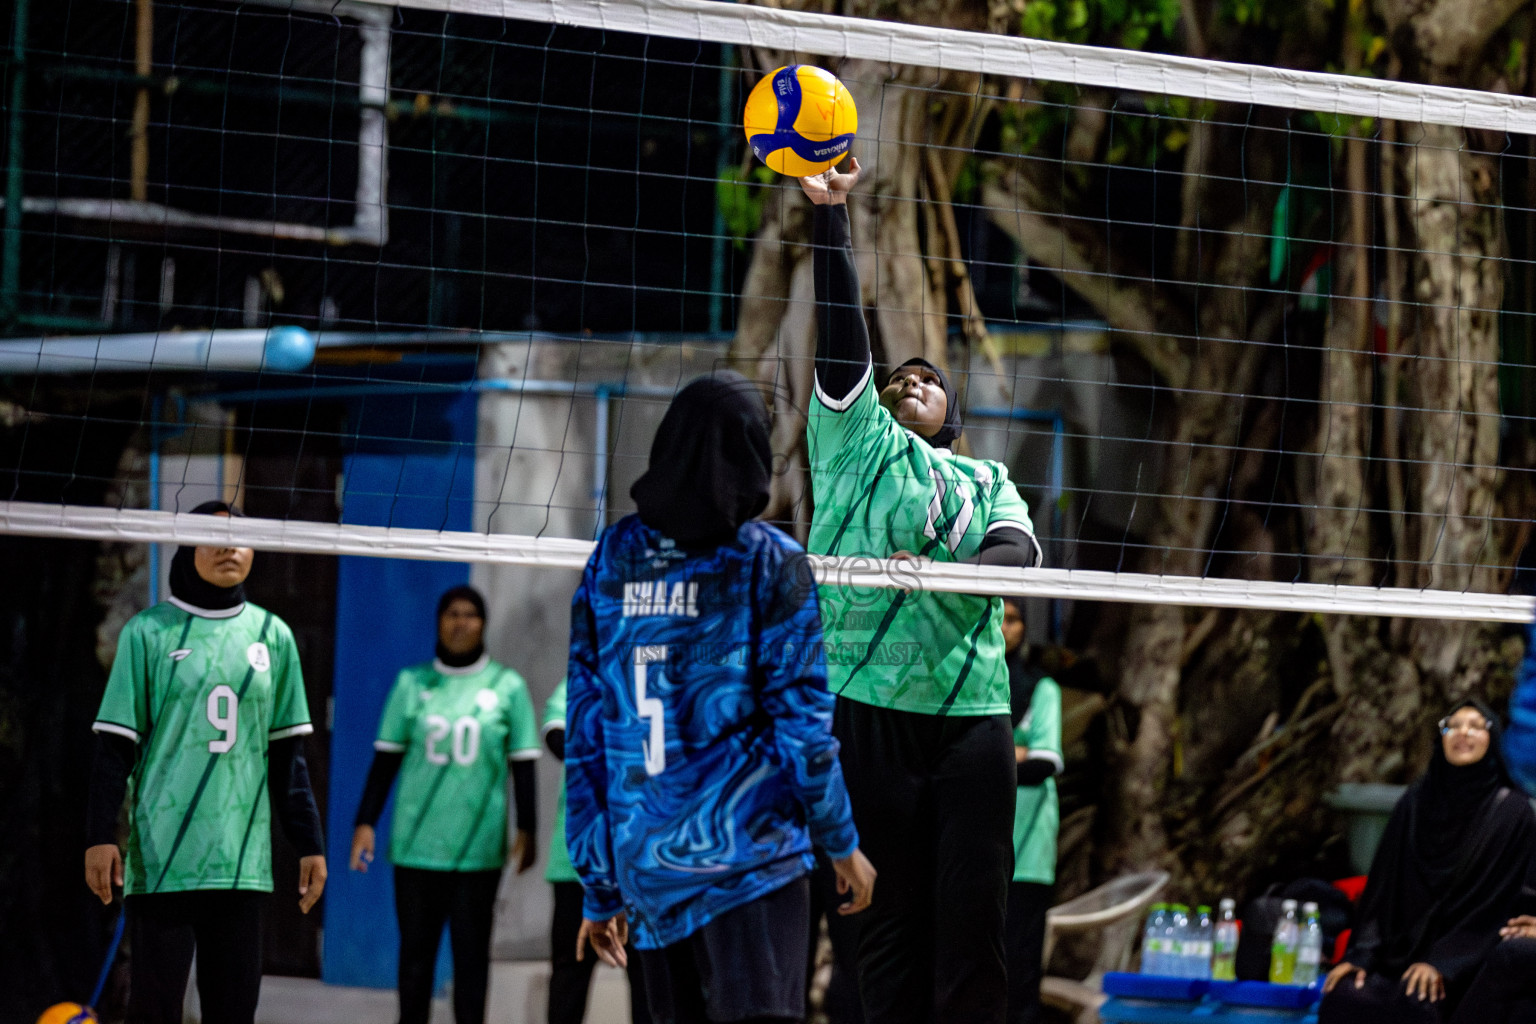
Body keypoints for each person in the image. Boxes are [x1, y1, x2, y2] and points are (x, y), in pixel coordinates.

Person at [801, 158, 1041, 1024]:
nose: (914, 381)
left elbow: (1016, 548)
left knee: (976, 925)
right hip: (870, 702)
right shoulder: (852, 444)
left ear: (954, 411)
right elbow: (841, 339)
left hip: (972, 713)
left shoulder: (984, 477)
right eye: (899, 376)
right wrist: (831, 219)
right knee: (885, 926)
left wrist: (962, 575)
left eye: (931, 378)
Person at [565, 372, 877, 1024]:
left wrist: (598, 887)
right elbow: (804, 727)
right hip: (750, 865)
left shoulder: (612, 557)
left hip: (647, 870)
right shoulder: (768, 561)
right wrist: (842, 841)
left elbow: (587, 732)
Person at [84, 500, 326, 1024]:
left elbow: (288, 757)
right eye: (213, 536)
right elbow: (114, 747)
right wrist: (99, 835)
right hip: (163, 856)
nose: (228, 547)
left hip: (242, 865)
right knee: (154, 1011)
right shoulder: (148, 633)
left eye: (241, 537)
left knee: (234, 1013)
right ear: (187, 545)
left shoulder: (273, 636)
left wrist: (310, 843)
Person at [349, 585, 540, 1024]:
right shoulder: (411, 682)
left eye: (470, 614)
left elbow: (524, 765)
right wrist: (364, 822)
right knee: (415, 960)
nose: (461, 622)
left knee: (472, 964)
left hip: (479, 853)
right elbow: (385, 760)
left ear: (484, 624)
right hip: (417, 848)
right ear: (438, 621)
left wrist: (528, 829)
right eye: (452, 613)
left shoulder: (506, 686)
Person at [1319, 700, 1535, 1024]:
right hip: (1400, 957)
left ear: (1493, 740)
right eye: (1453, 725)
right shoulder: (1415, 803)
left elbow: (1498, 907)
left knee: (1420, 1000)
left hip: (1469, 963)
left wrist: (1444, 963)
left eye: (1476, 726)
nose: (1463, 733)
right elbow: (1382, 891)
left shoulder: (1512, 814)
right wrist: (1361, 955)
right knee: (1344, 993)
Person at [542, 678, 652, 1024]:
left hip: (645, 863)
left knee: (649, 981)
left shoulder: (664, 674)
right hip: (580, 864)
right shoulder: (586, 676)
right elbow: (555, 732)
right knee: (570, 975)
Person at [1000, 598, 1062, 1024]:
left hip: (1027, 856)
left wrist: (991, 758)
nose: (1004, 627)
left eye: (1013, 619)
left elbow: (1043, 763)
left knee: (1020, 973)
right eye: (997, 617)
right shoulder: (965, 683)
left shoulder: (1041, 688)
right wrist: (1012, 754)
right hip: (976, 853)